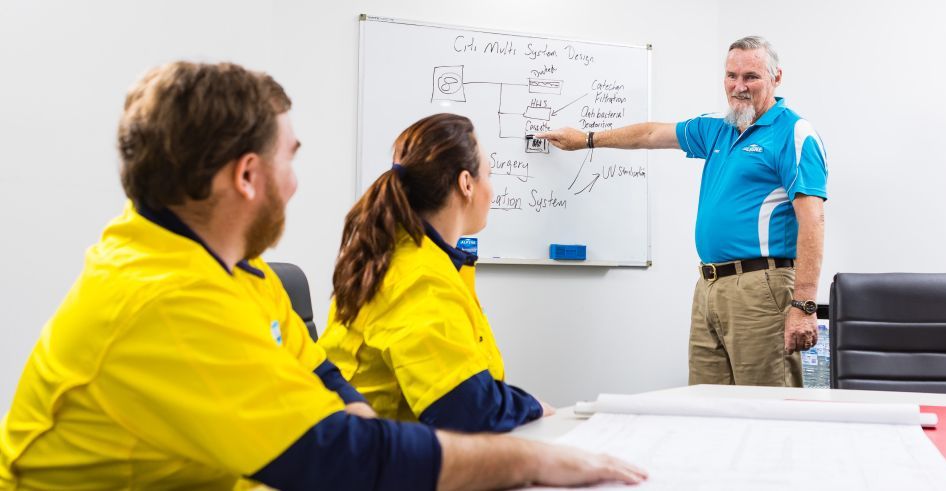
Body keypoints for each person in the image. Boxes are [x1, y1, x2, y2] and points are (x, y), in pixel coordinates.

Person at [0, 61, 646, 490]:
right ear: (248, 176)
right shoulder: (165, 297)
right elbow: (337, 456)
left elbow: (317, 370)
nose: (297, 182)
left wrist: (360, 419)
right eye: (291, 157)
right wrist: (531, 457)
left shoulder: (231, 270)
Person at [538, 36, 827, 388]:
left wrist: (804, 305)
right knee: (706, 406)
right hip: (709, 285)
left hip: (761, 287)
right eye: (731, 76)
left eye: (751, 76)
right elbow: (650, 133)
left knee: (765, 406)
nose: (738, 87)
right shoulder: (717, 128)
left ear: (775, 78)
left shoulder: (793, 133)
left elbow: (812, 220)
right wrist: (587, 139)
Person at [319, 113, 553, 433]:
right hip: (374, 465)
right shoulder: (418, 278)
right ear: (466, 184)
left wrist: (517, 402)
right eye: (489, 174)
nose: (493, 191)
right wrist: (532, 406)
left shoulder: (414, 257)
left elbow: (466, 383)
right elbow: (465, 409)